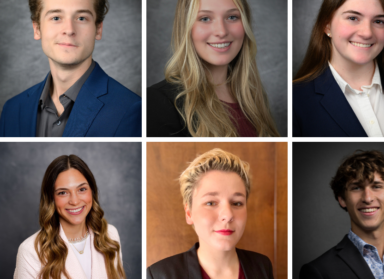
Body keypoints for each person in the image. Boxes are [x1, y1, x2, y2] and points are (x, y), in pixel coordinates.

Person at [0, 0, 141, 137]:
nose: (69, 30)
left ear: (98, 29)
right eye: (56, 17)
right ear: (37, 29)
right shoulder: (12, 109)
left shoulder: (132, 109)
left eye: (81, 18)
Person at [293, 0, 384, 137]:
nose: (367, 33)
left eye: (378, 21)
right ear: (327, 25)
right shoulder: (297, 99)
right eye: (353, 18)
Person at [147, 0, 279, 137]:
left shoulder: (254, 96)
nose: (221, 31)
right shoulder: (157, 102)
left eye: (232, 17)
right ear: (186, 27)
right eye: (205, 18)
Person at [300, 150, 384, 278]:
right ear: (342, 199)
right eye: (356, 188)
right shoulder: (319, 271)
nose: (368, 198)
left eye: (376, 186)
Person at [146, 148, 274, 278]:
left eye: (237, 203)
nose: (227, 215)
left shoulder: (262, 266)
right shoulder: (159, 275)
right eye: (211, 203)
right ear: (189, 213)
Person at [14, 155, 126, 279]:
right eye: (63, 193)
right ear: (51, 199)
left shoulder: (110, 235)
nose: (74, 201)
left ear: (92, 192)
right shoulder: (31, 251)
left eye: (82, 189)